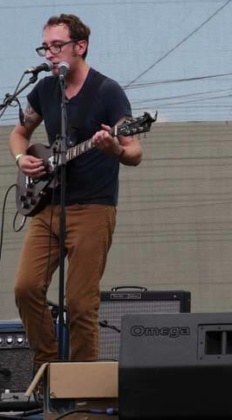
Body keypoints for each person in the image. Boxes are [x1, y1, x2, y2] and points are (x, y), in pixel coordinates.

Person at [9, 14, 142, 371]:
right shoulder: (44, 89)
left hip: (93, 208)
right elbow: (18, 134)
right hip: (49, 204)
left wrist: (113, 148)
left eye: (57, 46)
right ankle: (49, 369)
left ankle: (82, 389)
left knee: (82, 304)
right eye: (45, 47)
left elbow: (134, 151)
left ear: (79, 47)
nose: (50, 54)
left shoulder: (107, 91)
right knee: (25, 287)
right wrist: (22, 159)